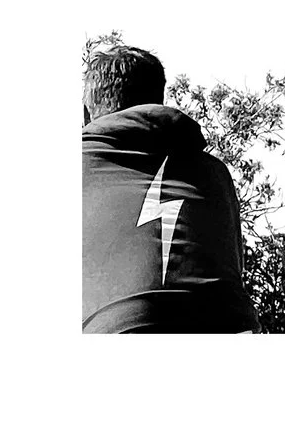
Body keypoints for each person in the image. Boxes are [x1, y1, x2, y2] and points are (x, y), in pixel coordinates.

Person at [82, 41, 255, 333]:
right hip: (229, 323)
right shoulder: (215, 172)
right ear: (158, 100)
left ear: (87, 113)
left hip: (124, 325)